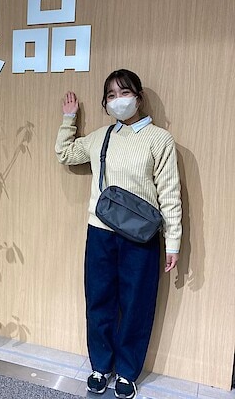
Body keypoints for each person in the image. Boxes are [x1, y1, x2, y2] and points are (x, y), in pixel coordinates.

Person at [55, 69, 182, 399]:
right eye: (111, 96)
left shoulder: (159, 139)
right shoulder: (101, 137)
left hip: (141, 238)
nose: (118, 101)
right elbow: (65, 154)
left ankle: (127, 371)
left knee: (137, 305)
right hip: (100, 233)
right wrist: (69, 119)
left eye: (124, 93)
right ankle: (100, 365)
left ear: (138, 98)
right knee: (99, 301)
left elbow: (169, 194)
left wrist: (173, 242)